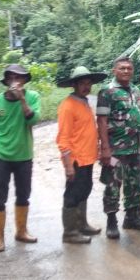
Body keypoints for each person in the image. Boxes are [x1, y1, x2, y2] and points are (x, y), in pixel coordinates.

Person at [0, 64, 41, 252]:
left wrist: (22, 100)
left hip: (24, 156)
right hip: (1, 156)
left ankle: (21, 231)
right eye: (12, 77)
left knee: (23, 196)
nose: (16, 81)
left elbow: (33, 120)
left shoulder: (33, 97)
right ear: (7, 81)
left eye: (20, 78)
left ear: (24, 81)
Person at [97, 56, 140, 239]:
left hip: (134, 147)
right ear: (115, 71)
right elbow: (102, 121)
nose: (126, 71)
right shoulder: (107, 92)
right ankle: (112, 221)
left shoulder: (136, 90)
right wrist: (104, 148)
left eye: (129, 68)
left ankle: (132, 216)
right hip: (115, 149)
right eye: (122, 68)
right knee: (113, 185)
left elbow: (138, 119)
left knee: (134, 183)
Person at [56, 66, 107, 244]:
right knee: (72, 194)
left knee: (84, 190)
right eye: (82, 83)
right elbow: (63, 138)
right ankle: (70, 232)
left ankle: (81, 224)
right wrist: (68, 164)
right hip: (76, 159)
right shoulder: (67, 106)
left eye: (88, 83)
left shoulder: (84, 102)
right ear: (74, 85)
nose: (86, 86)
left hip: (87, 157)